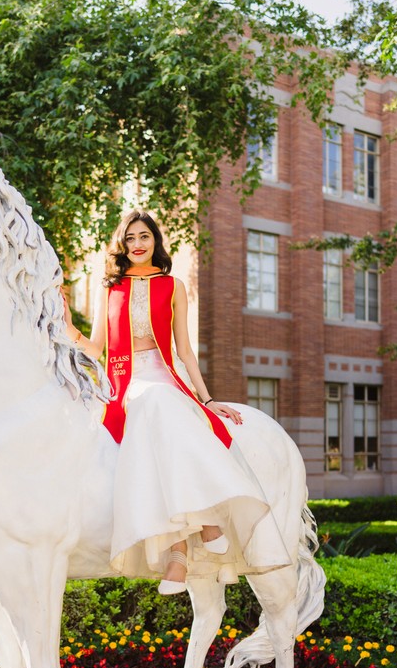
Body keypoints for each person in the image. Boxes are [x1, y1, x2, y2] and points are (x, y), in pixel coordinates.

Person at [63, 209, 291, 592]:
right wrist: (69, 326)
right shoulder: (110, 288)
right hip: (125, 381)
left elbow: (184, 350)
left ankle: (180, 556)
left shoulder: (173, 286)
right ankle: (204, 525)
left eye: (144, 237)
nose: (137, 245)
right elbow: (97, 347)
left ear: (156, 241)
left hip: (165, 376)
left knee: (163, 403)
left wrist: (208, 399)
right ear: (122, 244)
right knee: (153, 405)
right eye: (130, 238)